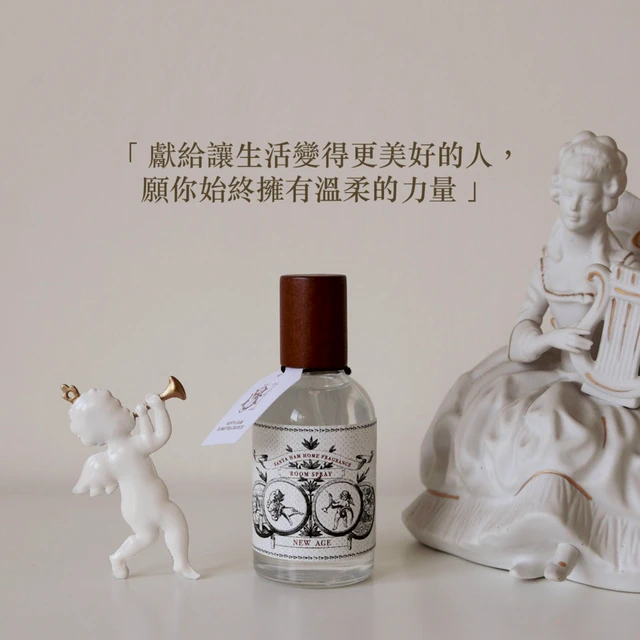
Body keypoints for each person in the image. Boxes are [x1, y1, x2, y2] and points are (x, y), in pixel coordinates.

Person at [404, 132, 640, 591]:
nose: (574, 207)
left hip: (608, 374)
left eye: (586, 197)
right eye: (567, 195)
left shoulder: (624, 264)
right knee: (491, 411)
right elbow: (522, 331)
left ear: (607, 200)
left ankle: (572, 543)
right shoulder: (549, 261)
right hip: (555, 362)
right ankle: (529, 539)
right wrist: (552, 337)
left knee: (562, 425)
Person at [70, 389, 200, 580]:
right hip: (150, 503)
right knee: (174, 524)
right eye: (119, 408)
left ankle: (119, 558)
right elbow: (161, 435)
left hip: (135, 507)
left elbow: (152, 436)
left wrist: (150, 414)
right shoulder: (131, 447)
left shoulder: (122, 450)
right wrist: (158, 408)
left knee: (147, 536)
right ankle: (180, 563)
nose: (126, 409)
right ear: (108, 423)